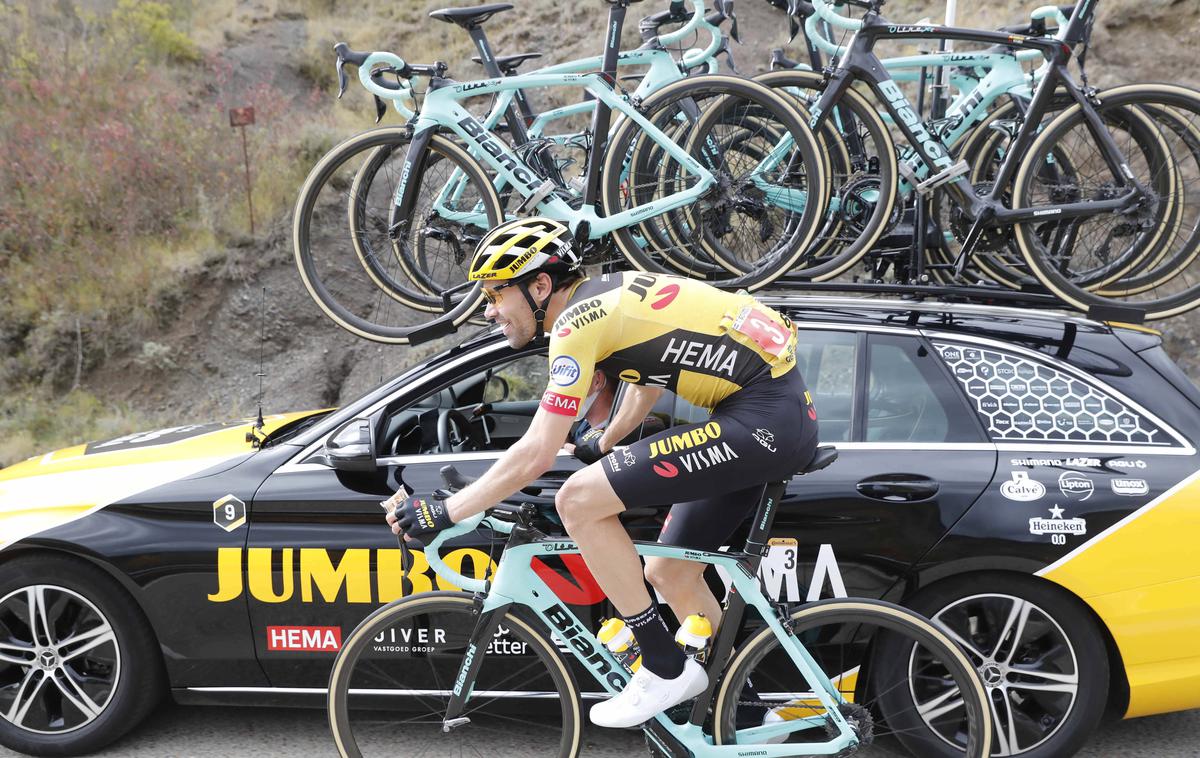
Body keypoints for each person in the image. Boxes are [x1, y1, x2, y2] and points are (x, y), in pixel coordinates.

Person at [385, 217, 819, 728]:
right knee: (669, 572)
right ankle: (741, 715)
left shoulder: (575, 323)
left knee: (577, 501)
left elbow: (536, 454)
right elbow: (648, 379)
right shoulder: (610, 297)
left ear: (540, 285)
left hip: (762, 419)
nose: (489, 309)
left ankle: (661, 665)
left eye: (496, 293)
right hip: (772, 415)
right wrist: (605, 440)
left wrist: (447, 510)